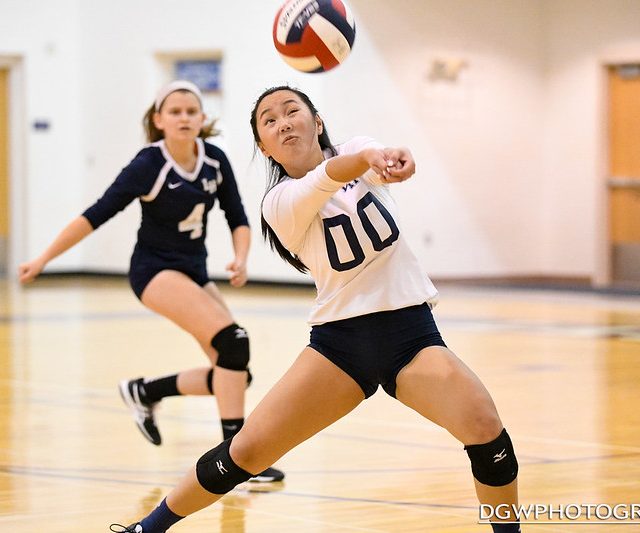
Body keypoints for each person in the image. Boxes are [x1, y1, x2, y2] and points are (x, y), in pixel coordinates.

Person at [109, 85, 520, 533]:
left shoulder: (358, 151)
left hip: (411, 335)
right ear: (263, 146)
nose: (283, 122)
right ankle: (147, 529)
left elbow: (372, 155)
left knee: (485, 427)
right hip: (339, 348)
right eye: (269, 120)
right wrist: (366, 161)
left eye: (292, 111)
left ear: (317, 122)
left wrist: (394, 157)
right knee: (246, 452)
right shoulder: (279, 202)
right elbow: (328, 175)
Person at [18, 80, 284, 483]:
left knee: (235, 372)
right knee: (235, 342)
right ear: (158, 120)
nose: (184, 118)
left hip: (195, 270)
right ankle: (238, 461)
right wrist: (42, 259)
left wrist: (241, 259)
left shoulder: (214, 160)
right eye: (174, 111)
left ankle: (146, 391)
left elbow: (238, 216)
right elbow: (96, 214)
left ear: (202, 118)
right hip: (153, 271)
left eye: (191, 111)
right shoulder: (149, 164)